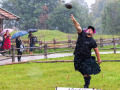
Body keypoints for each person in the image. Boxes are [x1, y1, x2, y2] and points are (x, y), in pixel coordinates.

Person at [70, 14, 101, 88]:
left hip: (86, 59)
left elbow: (96, 50)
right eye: (88, 29)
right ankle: (87, 77)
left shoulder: (92, 41)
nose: (89, 29)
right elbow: (78, 26)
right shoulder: (82, 34)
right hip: (77, 56)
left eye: (91, 30)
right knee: (78, 68)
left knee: (86, 72)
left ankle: (86, 85)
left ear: (93, 33)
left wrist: (99, 59)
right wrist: (74, 21)